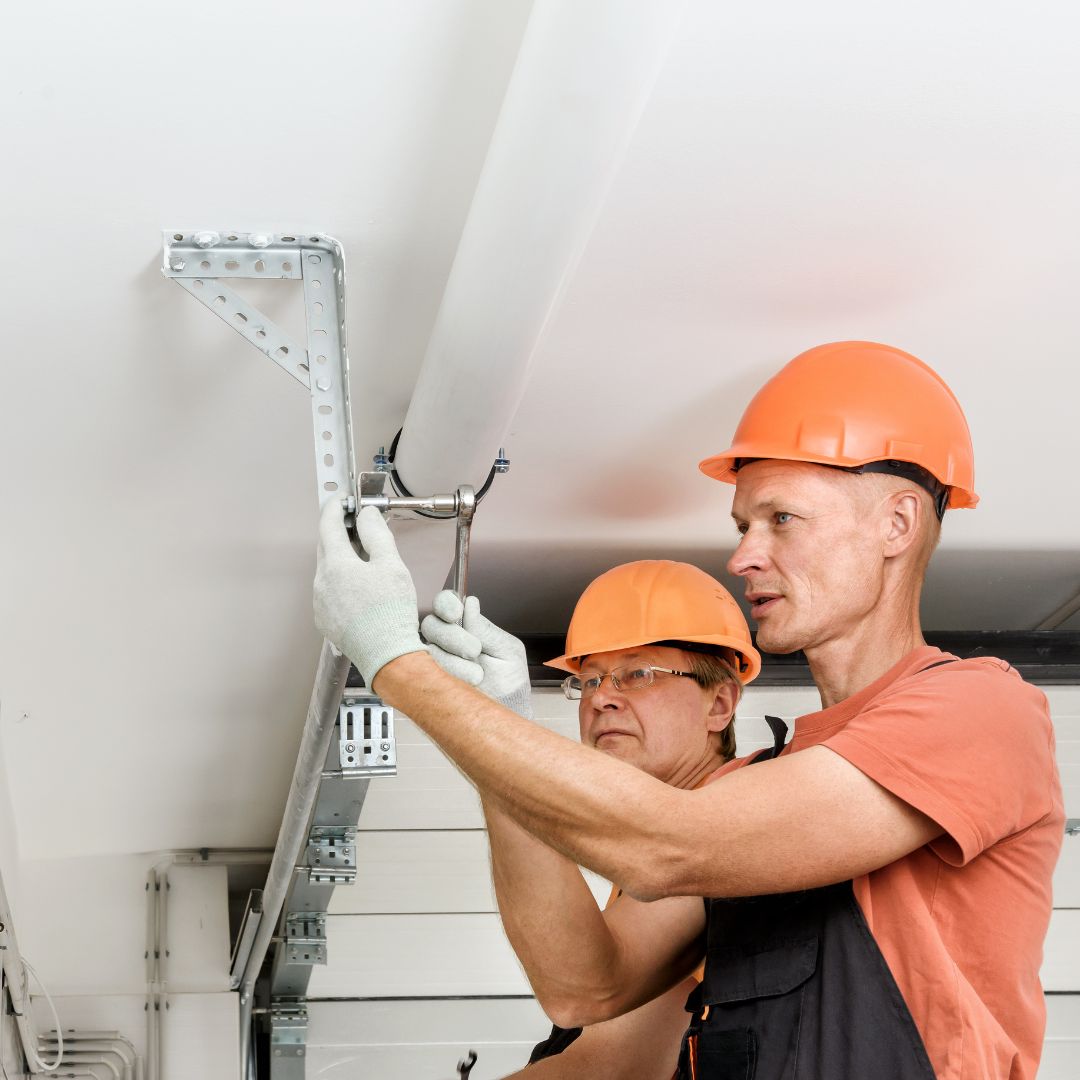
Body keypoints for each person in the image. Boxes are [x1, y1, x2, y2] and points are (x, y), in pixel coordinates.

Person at [314, 341, 1064, 1079]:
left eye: (781, 519)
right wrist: (497, 731)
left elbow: (669, 845)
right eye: (743, 527)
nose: (743, 557)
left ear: (896, 524)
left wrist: (397, 665)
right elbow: (583, 987)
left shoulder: (979, 710)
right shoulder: (752, 788)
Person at [423, 559, 761, 1079]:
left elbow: (609, 1063)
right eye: (589, 680)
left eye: (639, 674)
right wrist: (501, 737)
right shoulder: (649, 863)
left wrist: (496, 741)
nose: (601, 698)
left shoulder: (732, 822)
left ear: (719, 704)